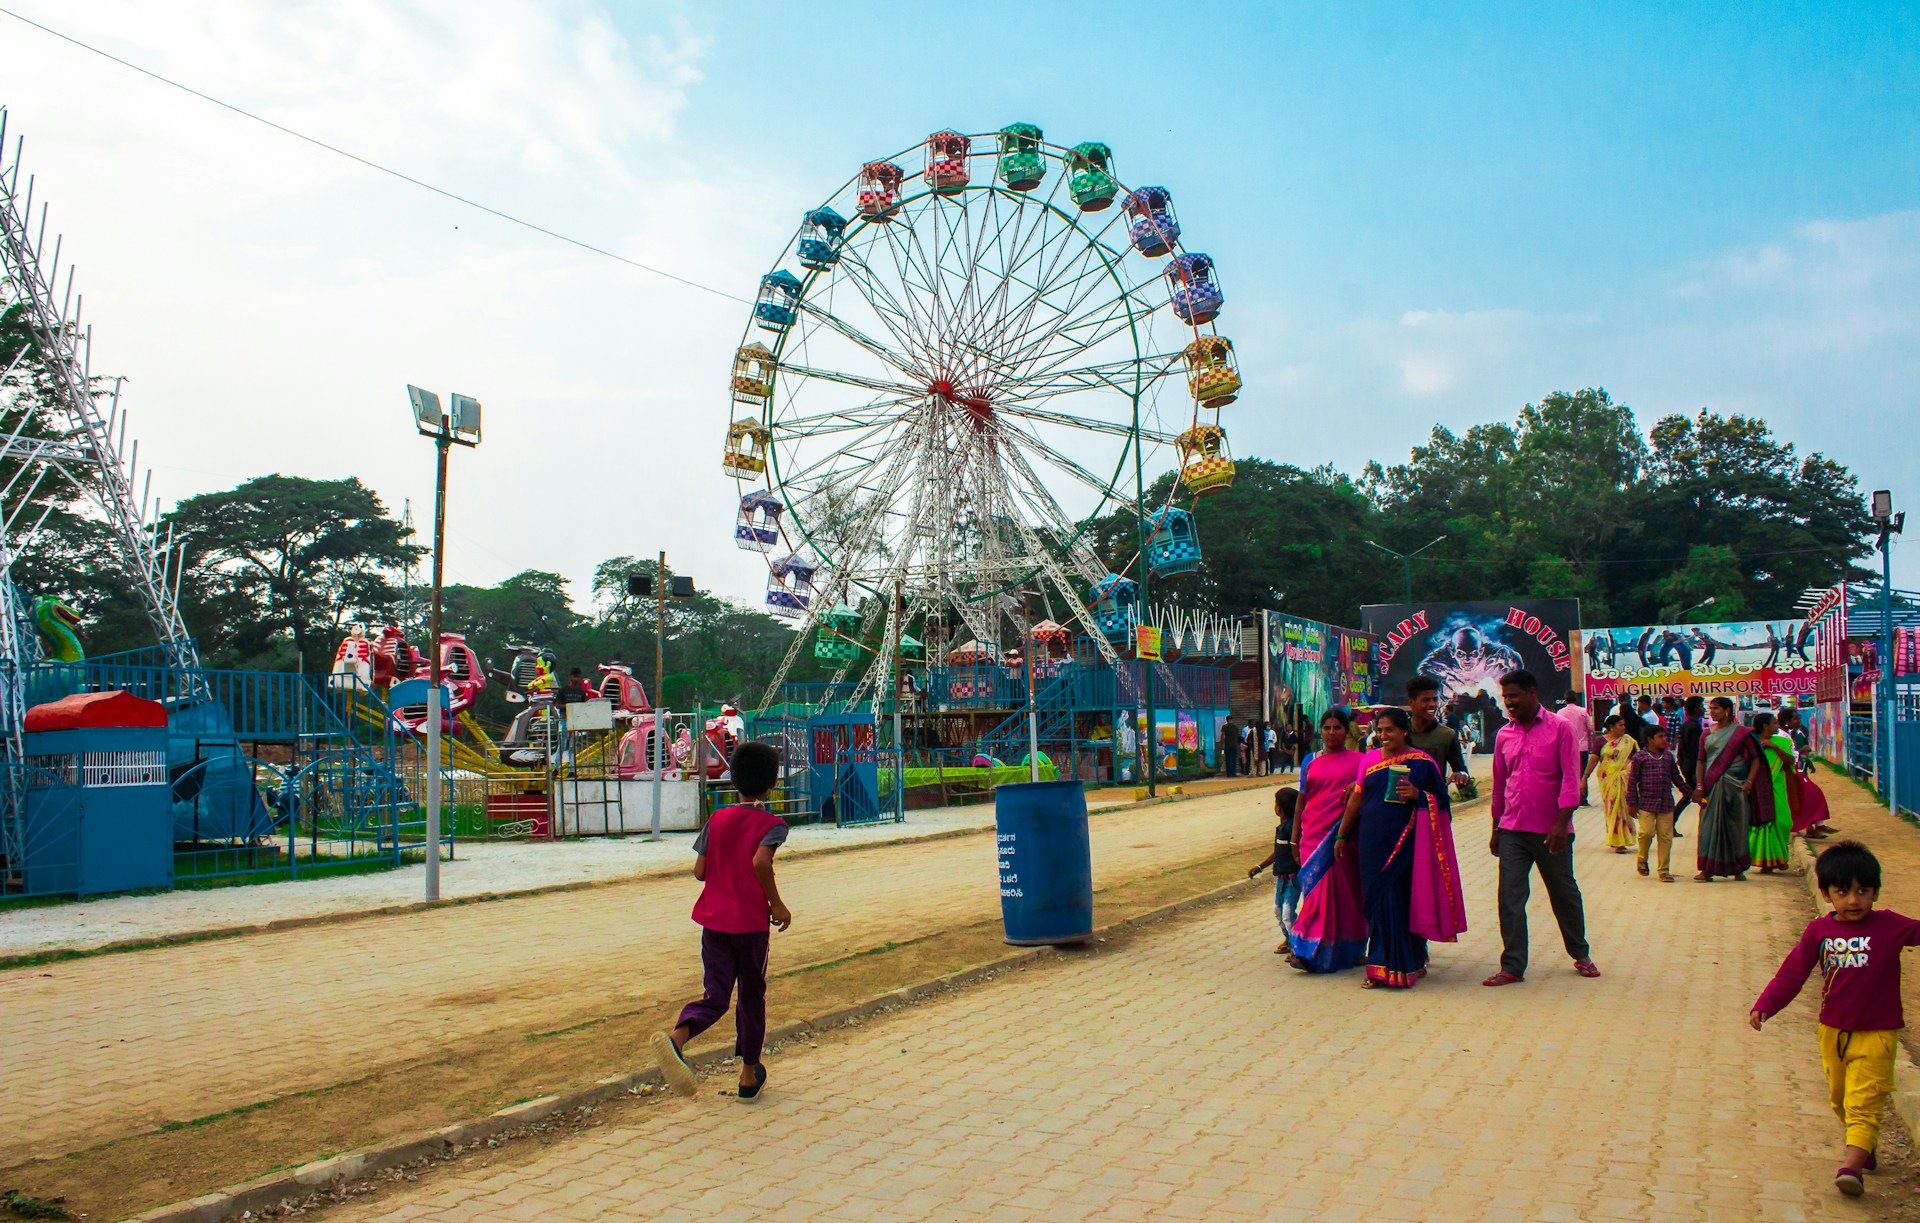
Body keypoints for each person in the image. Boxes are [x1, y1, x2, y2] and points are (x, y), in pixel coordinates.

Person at [1750, 842, 1920, 1198]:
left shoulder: (1890, 925)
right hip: (1832, 1032)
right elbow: (1792, 973)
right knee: (1840, 1098)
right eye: (1844, 893)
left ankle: (1851, 1168)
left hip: (1877, 1034)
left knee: (1865, 1100)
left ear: (1876, 892)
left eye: (1863, 892)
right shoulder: (1819, 932)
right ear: (1827, 894)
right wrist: (1766, 1004)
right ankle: (1864, 1145)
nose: (1854, 901)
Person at [653, 741, 792, 1102]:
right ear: (772, 784)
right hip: (749, 926)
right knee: (751, 995)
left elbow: (699, 871)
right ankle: (748, 1074)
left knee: (715, 994)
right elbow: (761, 863)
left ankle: (677, 1038)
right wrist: (776, 905)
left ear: (732, 780)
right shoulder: (773, 825)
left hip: (713, 922)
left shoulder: (717, 819)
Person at [1331, 707, 1466, 988]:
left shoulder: (1422, 763)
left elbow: (1441, 803)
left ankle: (1402, 964)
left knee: (1400, 903)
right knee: (1376, 903)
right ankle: (1385, 962)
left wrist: (1418, 795)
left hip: (1405, 843)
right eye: (1379, 731)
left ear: (1404, 730)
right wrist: (1342, 836)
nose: (1383, 736)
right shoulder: (1368, 760)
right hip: (1371, 842)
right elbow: (1357, 800)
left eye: (1389, 730)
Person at [1484, 669, 1600, 987]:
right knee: (1509, 897)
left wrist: (1562, 824)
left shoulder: (1560, 729)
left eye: (1514, 696)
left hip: (1552, 830)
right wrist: (1495, 828)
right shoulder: (1503, 735)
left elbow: (1569, 779)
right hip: (1512, 830)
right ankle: (1512, 966)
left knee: (1563, 894)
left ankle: (1581, 953)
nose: (1509, 703)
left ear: (1532, 694)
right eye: (1505, 697)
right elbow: (1499, 785)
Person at [1285, 708, 1368, 973]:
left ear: (1347, 731)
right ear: (1320, 731)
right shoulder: (1310, 760)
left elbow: (1369, 793)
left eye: (1337, 728)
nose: (1332, 733)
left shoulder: (1361, 761)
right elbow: (1301, 801)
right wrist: (1294, 839)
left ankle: (1341, 949)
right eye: (1327, 728)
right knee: (1314, 894)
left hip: (1343, 837)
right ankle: (1309, 947)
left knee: (1344, 895)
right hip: (1312, 836)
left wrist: (1356, 788)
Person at [1693, 696, 1760, 882]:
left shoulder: (1741, 733)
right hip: (1712, 785)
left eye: (1716, 708)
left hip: (1737, 786)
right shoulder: (1706, 734)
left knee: (1736, 827)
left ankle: (1738, 868)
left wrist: (1749, 782)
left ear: (1727, 710)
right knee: (1708, 826)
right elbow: (1701, 761)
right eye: (1710, 708)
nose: (1712, 712)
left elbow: (1756, 758)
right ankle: (1707, 869)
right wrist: (1699, 786)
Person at [1627, 725, 1688, 882]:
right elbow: (1632, 781)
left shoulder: (1668, 757)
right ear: (1650, 739)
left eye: (1665, 736)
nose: (1664, 740)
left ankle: (1664, 870)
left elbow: (1676, 777)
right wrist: (1631, 803)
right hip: (1646, 802)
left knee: (1666, 837)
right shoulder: (1640, 757)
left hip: (1666, 803)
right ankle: (1642, 858)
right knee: (1646, 833)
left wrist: (1689, 793)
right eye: (1660, 736)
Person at [1248, 787, 1302, 953]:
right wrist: (1260, 866)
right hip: (1281, 877)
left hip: (1293, 878)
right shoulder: (1282, 827)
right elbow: (1277, 852)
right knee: (1277, 910)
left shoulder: (1294, 828)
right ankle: (1289, 938)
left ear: (1281, 807)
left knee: (1287, 912)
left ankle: (1298, 946)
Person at [1406, 675, 1471, 792]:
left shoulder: (1447, 735)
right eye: (1426, 700)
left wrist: (1461, 777)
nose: (1432, 704)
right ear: (1411, 703)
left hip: (1435, 804)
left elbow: (1460, 770)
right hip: (1403, 805)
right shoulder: (1401, 733)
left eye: (1435, 699)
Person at [1749, 711, 1795, 874]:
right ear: (1765, 726)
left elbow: (1791, 761)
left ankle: (1779, 857)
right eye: (1774, 723)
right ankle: (1768, 861)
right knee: (1763, 822)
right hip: (1758, 789)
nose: (1777, 726)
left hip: (1777, 787)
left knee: (1783, 822)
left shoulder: (1782, 742)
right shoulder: (1751, 743)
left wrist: (1773, 746)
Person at [1585, 714, 1636, 853]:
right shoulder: (1601, 742)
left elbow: (1635, 760)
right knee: (1612, 808)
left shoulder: (1628, 741)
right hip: (1608, 781)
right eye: (1620, 725)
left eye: (1624, 725)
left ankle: (1620, 841)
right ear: (1611, 727)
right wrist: (1584, 778)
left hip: (1625, 779)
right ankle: (1615, 839)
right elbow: (1593, 760)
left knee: (1622, 809)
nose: (1623, 728)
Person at [1674, 695, 1707, 837]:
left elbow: (1682, 750)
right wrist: (1696, 773)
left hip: (1686, 766)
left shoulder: (1686, 725)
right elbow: (1695, 751)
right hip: (1692, 769)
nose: (1704, 709)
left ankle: (1671, 823)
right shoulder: (1694, 727)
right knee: (1696, 796)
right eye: (1702, 706)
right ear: (1696, 709)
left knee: (1690, 796)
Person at [1557, 694, 1594, 806]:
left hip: (1566, 748)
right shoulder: (1582, 711)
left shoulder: (1560, 713)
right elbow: (1591, 728)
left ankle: (1569, 798)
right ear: (1576, 700)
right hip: (1582, 747)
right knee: (1582, 773)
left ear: (1566, 700)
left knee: (1568, 772)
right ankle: (1582, 799)